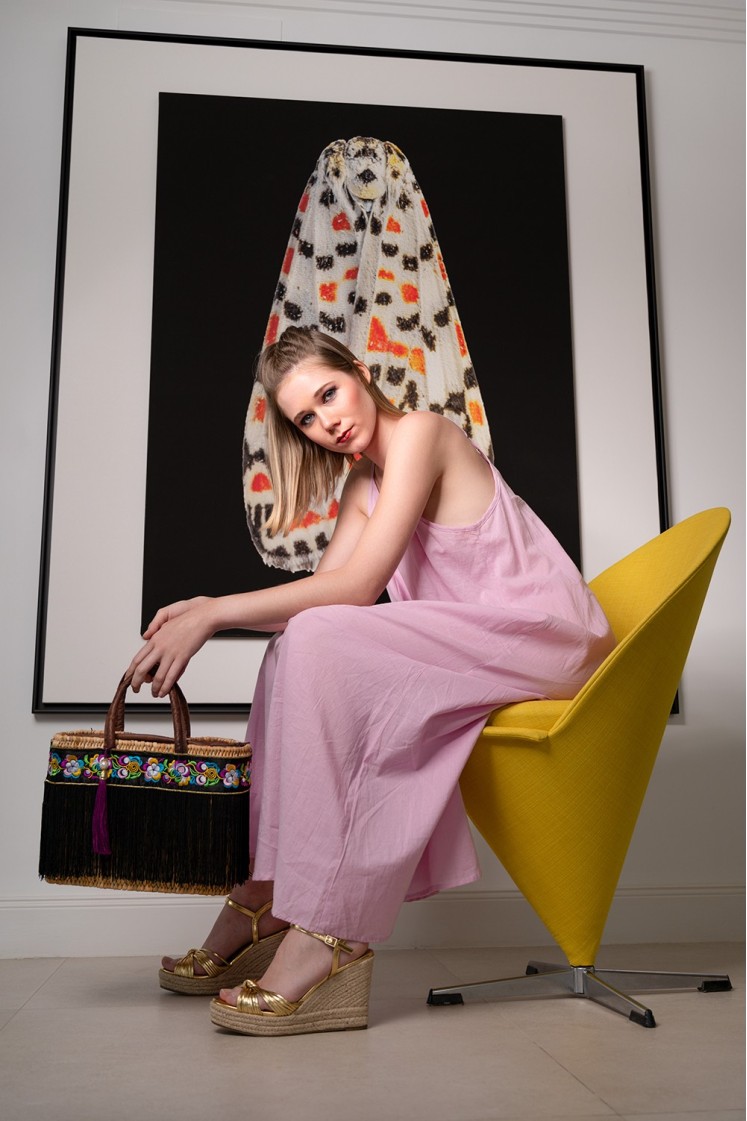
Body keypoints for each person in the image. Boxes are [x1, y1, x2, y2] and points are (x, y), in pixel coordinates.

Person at [127, 325, 615, 1037]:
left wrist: (214, 611)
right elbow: (323, 598)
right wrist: (203, 613)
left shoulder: (422, 432)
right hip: (480, 642)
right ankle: (267, 890)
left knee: (318, 636)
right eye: (306, 417)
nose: (326, 422)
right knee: (294, 644)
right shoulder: (363, 480)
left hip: (548, 638)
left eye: (329, 394)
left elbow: (357, 588)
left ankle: (328, 929)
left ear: (358, 370)